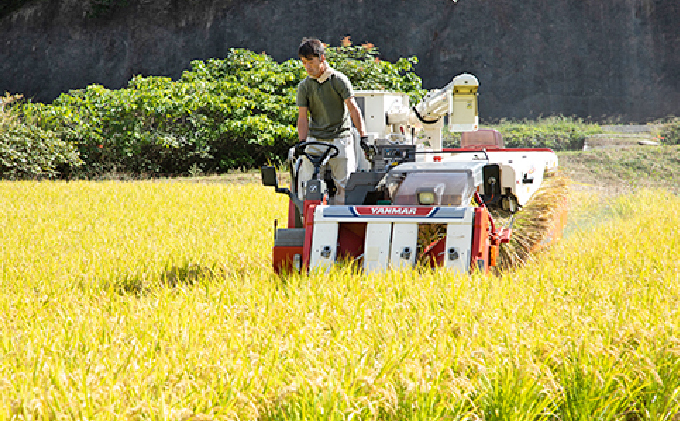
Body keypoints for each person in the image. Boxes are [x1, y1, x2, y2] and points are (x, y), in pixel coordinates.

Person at [295, 38, 367, 205]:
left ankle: (340, 223)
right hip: (315, 138)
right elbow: (302, 118)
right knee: (307, 184)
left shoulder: (338, 80)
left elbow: (353, 109)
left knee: (345, 185)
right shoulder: (304, 86)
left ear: (322, 58)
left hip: (340, 138)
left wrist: (363, 137)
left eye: (311, 61)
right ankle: (311, 220)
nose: (307, 66)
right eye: (304, 62)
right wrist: (301, 143)